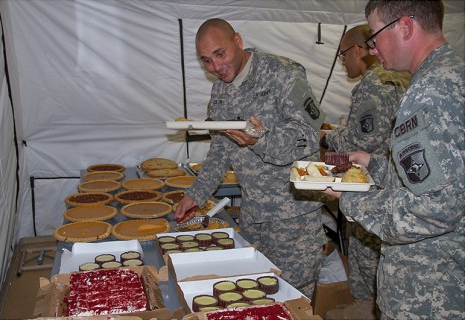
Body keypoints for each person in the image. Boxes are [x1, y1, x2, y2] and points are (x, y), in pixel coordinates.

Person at [326, 1, 464, 319]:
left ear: (404, 26)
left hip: (429, 290)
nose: (372, 49)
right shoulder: (450, 75)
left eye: (374, 36)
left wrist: (351, 197)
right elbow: (438, 175)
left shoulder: (430, 93)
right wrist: (374, 165)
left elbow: (433, 210)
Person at [174, 18, 327, 298]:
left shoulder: (283, 73)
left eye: (220, 54)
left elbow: (308, 136)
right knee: (252, 298)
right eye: (206, 60)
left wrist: (261, 139)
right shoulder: (220, 90)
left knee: (293, 302)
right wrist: (195, 195)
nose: (216, 67)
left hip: (293, 221)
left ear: (238, 41)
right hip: (252, 216)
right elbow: (220, 149)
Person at [320, 24, 410, 307]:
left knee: (366, 263)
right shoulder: (401, 78)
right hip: (396, 187)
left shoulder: (372, 85)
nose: (344, 62)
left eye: (343, 55)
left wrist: (327, 137)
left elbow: (362, 140)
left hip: (371, 188)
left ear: (358, 49)